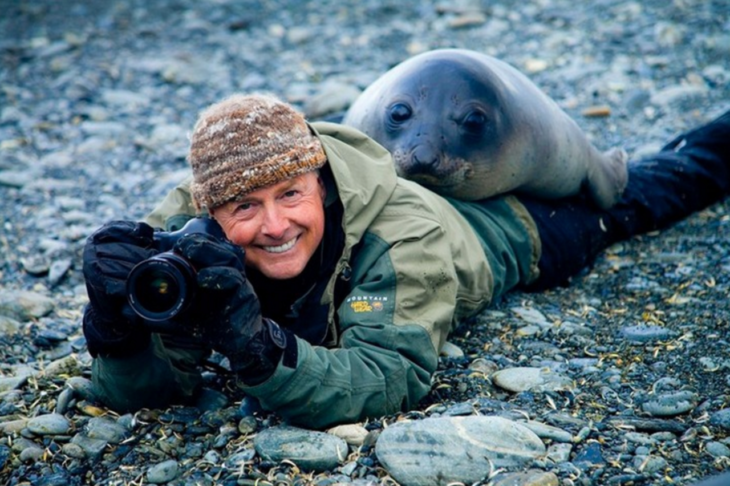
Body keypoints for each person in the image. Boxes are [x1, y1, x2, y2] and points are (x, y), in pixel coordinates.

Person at [81, 93, 730, 428]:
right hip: (421, 170)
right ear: (209, 208)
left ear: (322, 186)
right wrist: (116, 326)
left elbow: (389, 376)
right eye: (245, 208)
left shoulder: (402, 235)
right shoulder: (182, 234)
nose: (274, 226)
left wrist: (254, 346)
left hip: (514, 228)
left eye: (291, 195)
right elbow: (152, 392)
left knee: (647, 188)